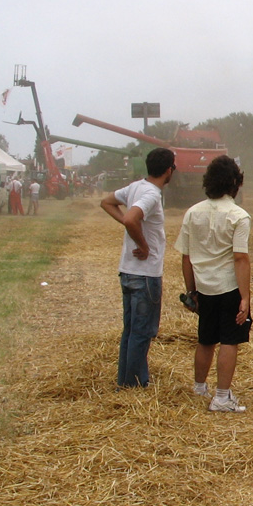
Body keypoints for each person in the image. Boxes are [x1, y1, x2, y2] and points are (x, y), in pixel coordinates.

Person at [174, 155, 251, 413]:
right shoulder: (239, 216)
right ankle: (221, 397)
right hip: (228, 287)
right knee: (229, 340)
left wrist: (191, 290)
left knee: (205, 339)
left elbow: (186, 257)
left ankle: (199, 388)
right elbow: (240, 258)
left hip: (204, 287)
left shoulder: (193, 212)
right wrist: (245, 297)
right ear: (234, 183)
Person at [100, 147, 176, 388]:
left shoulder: (135, 186)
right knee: (143, 332)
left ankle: (128, 380)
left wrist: (128, 224)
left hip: (128, 271)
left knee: (131, 331)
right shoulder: (152, 194)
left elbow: (107, 202)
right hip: (145, 274)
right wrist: (142, 244)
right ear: (168, 170)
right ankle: (132, 384)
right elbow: (132, 218)